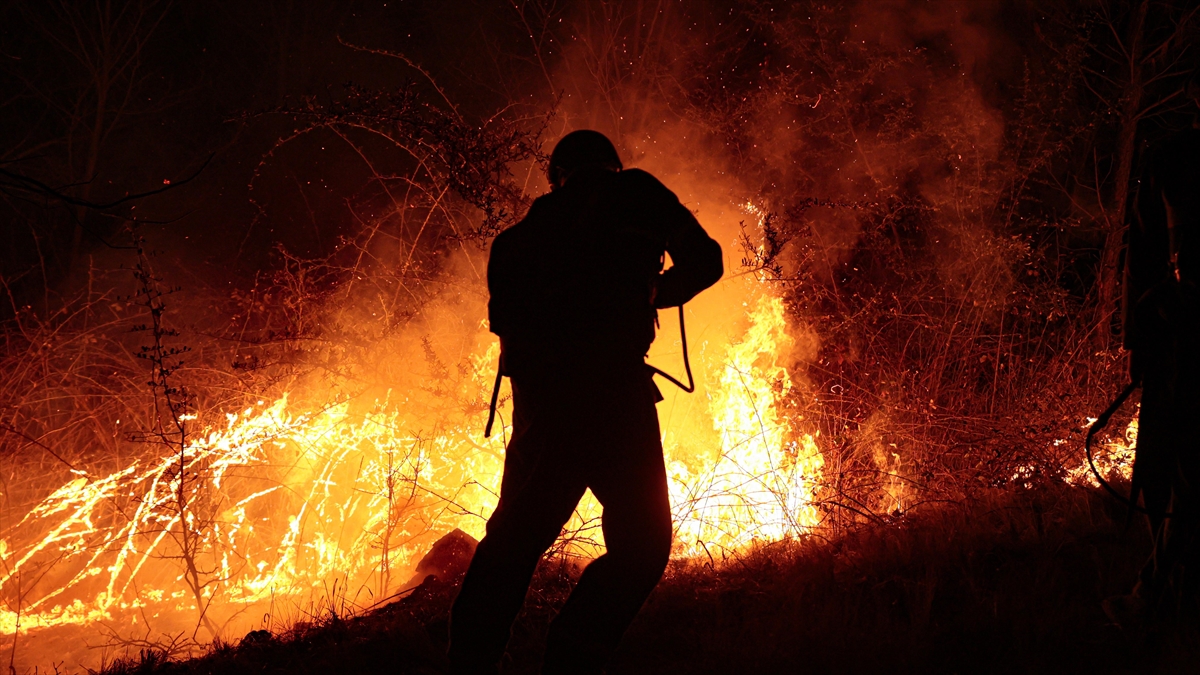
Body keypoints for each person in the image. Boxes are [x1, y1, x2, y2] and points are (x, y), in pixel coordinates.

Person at [447, 130, 723, 674]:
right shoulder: (638, 192)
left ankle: (469, 662)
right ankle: (574, 653)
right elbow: (706, 260)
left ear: (557, 179)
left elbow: (505, 323)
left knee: (513, 542)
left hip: (544, 406)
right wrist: (653, 292)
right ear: (612, 168)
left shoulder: (518, 239)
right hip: (615, 395)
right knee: (642, 546)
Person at [1106, 73, 1200, 626]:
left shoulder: (1172, 158)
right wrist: (1138, 345)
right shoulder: (1172, 159)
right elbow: (1141, 261)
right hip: (1178, 342)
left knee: (1184, 474)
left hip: (1185, 344)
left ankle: (1155, 600)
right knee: (1168, 469)